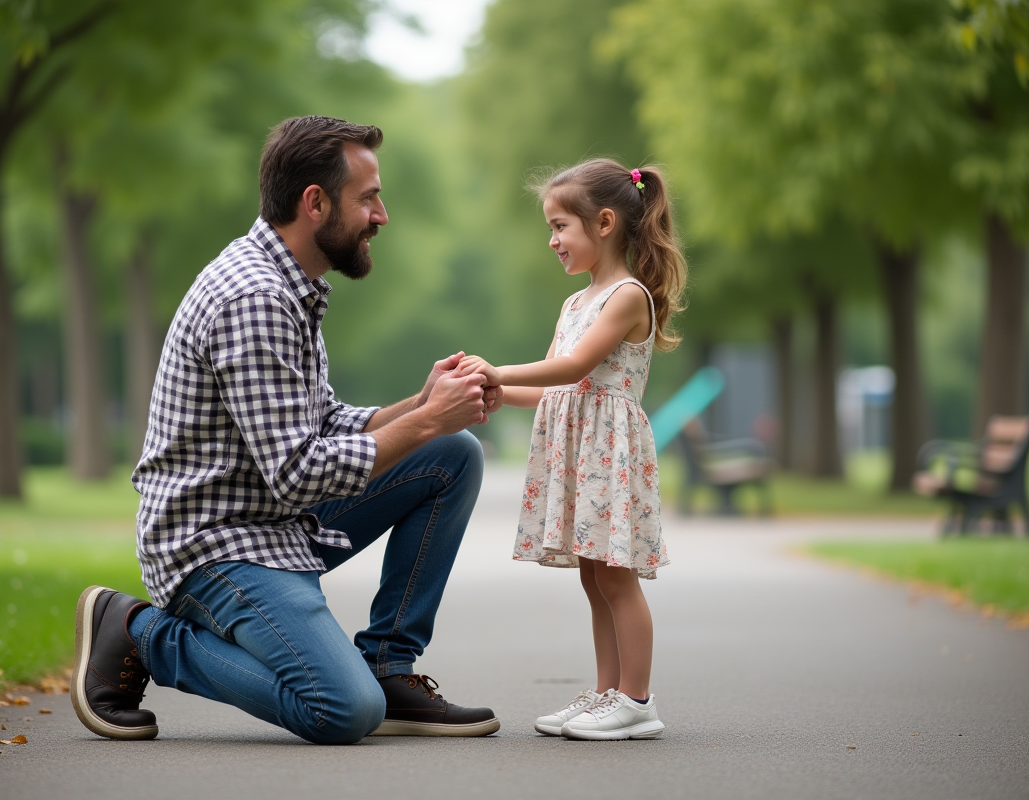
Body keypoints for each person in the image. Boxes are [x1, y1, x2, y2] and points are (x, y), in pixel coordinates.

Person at [71, 116, 504, 745]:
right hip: (215, 543)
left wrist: (422, 407)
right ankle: (138, 631)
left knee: (450, 453)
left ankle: (387, 665)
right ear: (315, 202)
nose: (381, 215)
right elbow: (299, 472)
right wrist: (427, 418)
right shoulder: (255, 299)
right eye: (368, 198)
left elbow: (321, 423)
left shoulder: (291, 284)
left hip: (273, 518)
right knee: (342, 711)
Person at [458, 158, 687, 740]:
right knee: (592, 576)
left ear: (604, 222)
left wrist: (496, 366)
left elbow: (578, 365)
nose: (553, 240)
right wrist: (494, 392)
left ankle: (637, 700)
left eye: (561, 226)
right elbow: (557, 386)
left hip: (609, 452)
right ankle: (605, 693)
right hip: (581, 451)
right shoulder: (575, 302)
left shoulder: (627, 296)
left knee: (616, 577)